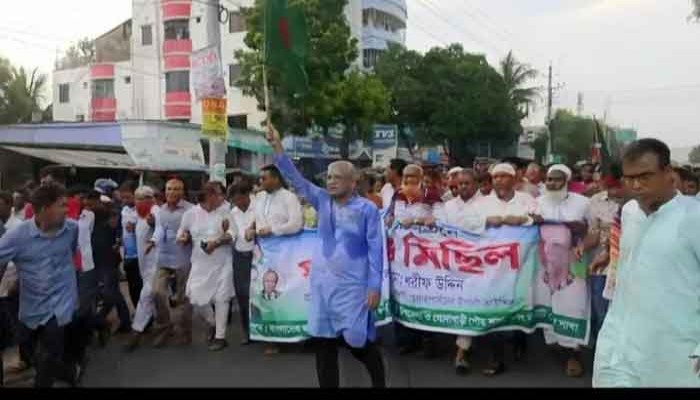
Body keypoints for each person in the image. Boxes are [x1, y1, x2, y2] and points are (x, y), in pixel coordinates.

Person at [266, 125, 385, 388]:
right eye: (329, 176)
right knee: (324, 344)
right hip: (322, 285)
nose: (330, 181)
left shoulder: (367, 210)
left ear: (353, 183)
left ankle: (380, 383)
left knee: (358, 344)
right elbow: (295, 179)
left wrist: (375, 286)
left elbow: (376, 250)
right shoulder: (322, 200)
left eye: (337, 177)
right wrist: (277, 146)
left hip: (353, 287)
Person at [593, 139, 700, 387]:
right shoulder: (630, 212)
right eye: (629, 178)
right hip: (618, 348)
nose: (636, 185)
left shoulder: (693, 218)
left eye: (645, 176)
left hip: (675, 356)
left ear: (668, 174)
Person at [0, 184, 81, 387]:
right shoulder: (18, 236)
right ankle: (68, 372)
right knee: (31, 351)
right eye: (61, 205)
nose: (67, 210)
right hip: (32, 305)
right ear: (45, 208)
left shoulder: (72, 228)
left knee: (48, 355)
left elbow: (71, 253)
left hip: (61, 303)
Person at [476, 163, 541, 376]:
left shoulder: (527, 200)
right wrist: (484, 220)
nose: (500, 181)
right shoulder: (482, 203)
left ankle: (520, 339)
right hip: (490, 266)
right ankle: (496, 357)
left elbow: (540, 219)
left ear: (514, 180)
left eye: (504, 177)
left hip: (521, 265)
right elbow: (465, 222)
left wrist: (525, 219)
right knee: (493, 308)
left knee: (518, 304)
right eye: (496, 177)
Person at [536, 165, 591, 378]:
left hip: (573, 263)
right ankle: (558, 347)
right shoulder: (537, 202)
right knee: (549, 305)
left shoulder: (583, 203)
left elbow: (593, 229)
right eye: (549, 179)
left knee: (573, 306)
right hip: (544, 264)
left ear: (566, 181)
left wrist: (581, 238)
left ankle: (574, 354)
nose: (551, 183)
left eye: (557, 180)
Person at [433, 170, 485, 374]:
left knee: (469, 306)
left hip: (478, 263)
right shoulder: (449, 205)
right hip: (452, 264)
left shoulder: (486, 204)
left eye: (467, 183)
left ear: (476, 184)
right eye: (459, 183)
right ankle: (461, 346)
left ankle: (461, 354)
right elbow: (441, 229)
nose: (463, 187)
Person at [252, 163, 304, 355]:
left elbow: (297, 224)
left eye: (264, 178)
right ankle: (270, 338)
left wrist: (273, 230)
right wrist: (252, 229)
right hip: (262, 254)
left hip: (285, 254)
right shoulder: (259, 197)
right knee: (264, 294)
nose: (261, 182)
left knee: (285, 293)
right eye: (260, 178)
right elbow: (256, 220)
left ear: (275, 178)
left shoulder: (288, 197)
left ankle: (291, 334)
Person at [177, 182, 234, 352]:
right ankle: (212, 323)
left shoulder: (225, 212)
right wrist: (183, 237)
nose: (221, 198)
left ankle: (220, 337)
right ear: (209, 196)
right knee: (195, 297)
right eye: (217, 194)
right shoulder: (190, 214)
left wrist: (216, 242)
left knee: (222, 298)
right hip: (200, 263)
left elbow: (232, 234)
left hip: (223, 261)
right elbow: (181, 233)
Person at [577, 174, 627, 343]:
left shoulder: (637, 204)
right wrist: (582, 248)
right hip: (601, 266)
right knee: (601, 312)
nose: (616, 190)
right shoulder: (595, 201)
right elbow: (594, 233)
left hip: (628, 268)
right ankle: (601, 354)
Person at [146, 177, 194, 348]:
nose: (172, 192)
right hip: (164, 257)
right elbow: (159, 229)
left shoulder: (191, 210)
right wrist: (152, 242)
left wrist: (189, 237)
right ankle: (164, 327)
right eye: (169, 189)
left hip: (183, 257)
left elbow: (196, 231)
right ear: (164, 192)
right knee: (157, 292)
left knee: (184, 297)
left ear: (183, 192)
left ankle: (184, 331)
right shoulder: (161, 210)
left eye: (176, 189)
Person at [89, 191, 131, 341]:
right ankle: (122, 321)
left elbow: (115, 233)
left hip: (107, 261)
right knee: (112, 293)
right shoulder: (93, 217)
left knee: (109, 294)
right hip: (100, 260)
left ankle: (100, 320)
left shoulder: (102, 214)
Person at [124, 186, 160, 352]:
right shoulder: (138, 215)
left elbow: (160, 230)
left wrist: (153, 238)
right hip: (143, 266)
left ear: (151, 199)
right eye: (137, 198)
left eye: (143, 198)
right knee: (152, 298)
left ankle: (135, 332)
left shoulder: (155, 212)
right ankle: (163, 326)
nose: (139, 201)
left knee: (146, 296)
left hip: (156, 264)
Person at [227, 182, 256, 345]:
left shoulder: (258, 208)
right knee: (242, 295)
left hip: (257, 255)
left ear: (247, 195)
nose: (237, 203)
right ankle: (247, 332)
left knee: (258, 294)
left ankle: (261, 330)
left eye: (239, 199)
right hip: (239, 256)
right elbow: (231, 234)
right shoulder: (233, 213)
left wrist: (254, 229)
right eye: (234, 200)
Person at [119, 181, 143, 309]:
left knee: (141, 286)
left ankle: (146, 316)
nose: (124, 200)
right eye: (122, 197)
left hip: (141, 255)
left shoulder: (143, 210)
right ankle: (137, 311)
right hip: (128, 255)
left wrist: (135, 227)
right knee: (132, 287)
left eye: (127, 197)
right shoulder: (124, 210)